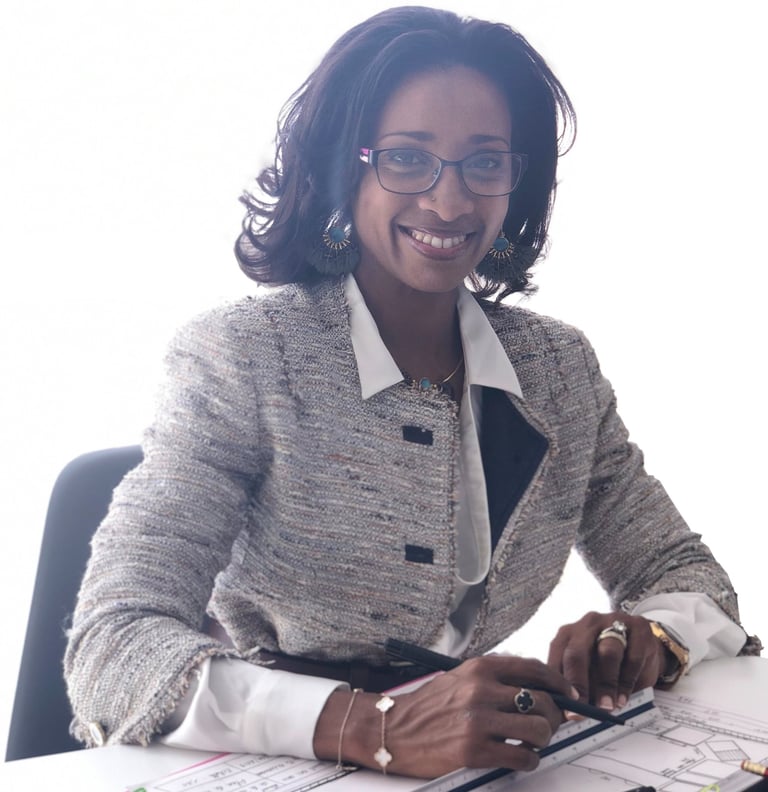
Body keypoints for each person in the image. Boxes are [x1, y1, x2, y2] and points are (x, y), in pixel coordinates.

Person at [64, 5, 760, 780]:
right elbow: (112, 646)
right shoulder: (246, 358)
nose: (450, 202)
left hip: (486, 755)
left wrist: (650, 637)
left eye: (485, 162)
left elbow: (687, 574)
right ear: (343, 165)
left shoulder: (556, 368)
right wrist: (371, 726)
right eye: (407, 158)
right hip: (274, 758)